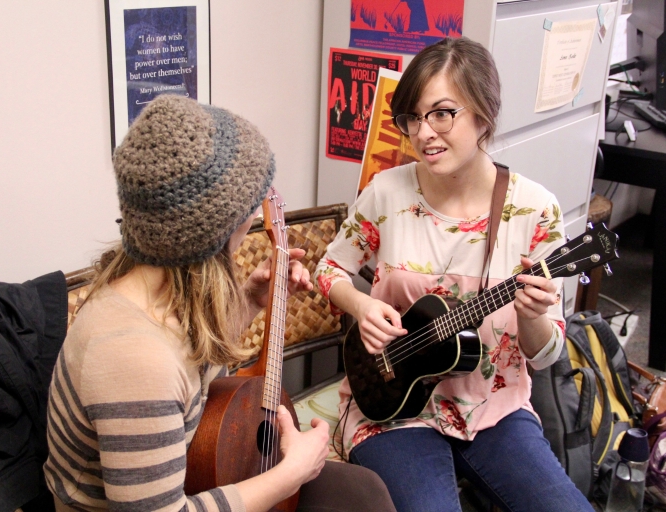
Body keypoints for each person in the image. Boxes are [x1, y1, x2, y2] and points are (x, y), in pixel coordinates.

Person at [44, 94, 396, 512]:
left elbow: (187, 365)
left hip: (193, 468)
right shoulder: (132, 359)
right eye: (249, 206)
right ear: (211, 233)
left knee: (364, 494)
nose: (256, 211)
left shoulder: (161, 287)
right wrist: (290, 472)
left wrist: (250, 299)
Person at [314, 37, 594, 512]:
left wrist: (532, 315)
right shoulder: (386, 192)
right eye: (413, 118)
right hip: (392, 403)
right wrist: (361, 306)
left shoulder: (533, 210)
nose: (424, 133)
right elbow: (330, 268)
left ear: (483, 113)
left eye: (442, 113)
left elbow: (545, 356)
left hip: (494, 407)